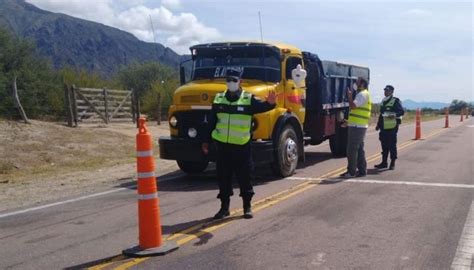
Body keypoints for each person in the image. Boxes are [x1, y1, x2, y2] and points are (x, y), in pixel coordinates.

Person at [202, 68, 277, 219]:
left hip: (242, 147)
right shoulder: (218, 99)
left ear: (240, 82)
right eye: (228, 80)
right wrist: (205, 141)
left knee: (245, 177)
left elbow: (263, 107)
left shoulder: (248, 99)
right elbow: (211, 122)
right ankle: (224, 208)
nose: (231, 83)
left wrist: (271, 103)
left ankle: (247, 207)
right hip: (222, 147)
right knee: (223, 178)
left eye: (234, 80)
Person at [340, 77, 372, 178]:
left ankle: (351, 171)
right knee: (359, 149)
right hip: (357, 125)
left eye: (357, 82)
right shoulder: (363, 94)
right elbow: (357, 112)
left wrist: (349, 96)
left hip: (357, 127)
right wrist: (349, 122)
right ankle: (362, 170)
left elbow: (353, 106)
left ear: (362, 84)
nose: (355, 83)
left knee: (352, 149)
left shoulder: (362, 94)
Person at [374, 85, 404, 170]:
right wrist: (378, 125)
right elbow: (381, 115)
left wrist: (390, 116)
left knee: (392, 145)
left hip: (392, 126)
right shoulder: (383, 101)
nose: (385, 92)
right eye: (385, 90)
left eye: (387, 90)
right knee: (384, 144)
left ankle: (392, 163)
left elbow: (401, 112)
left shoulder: (395, 101)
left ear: (391, 92)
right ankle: (384, 162)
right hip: (384, 126)